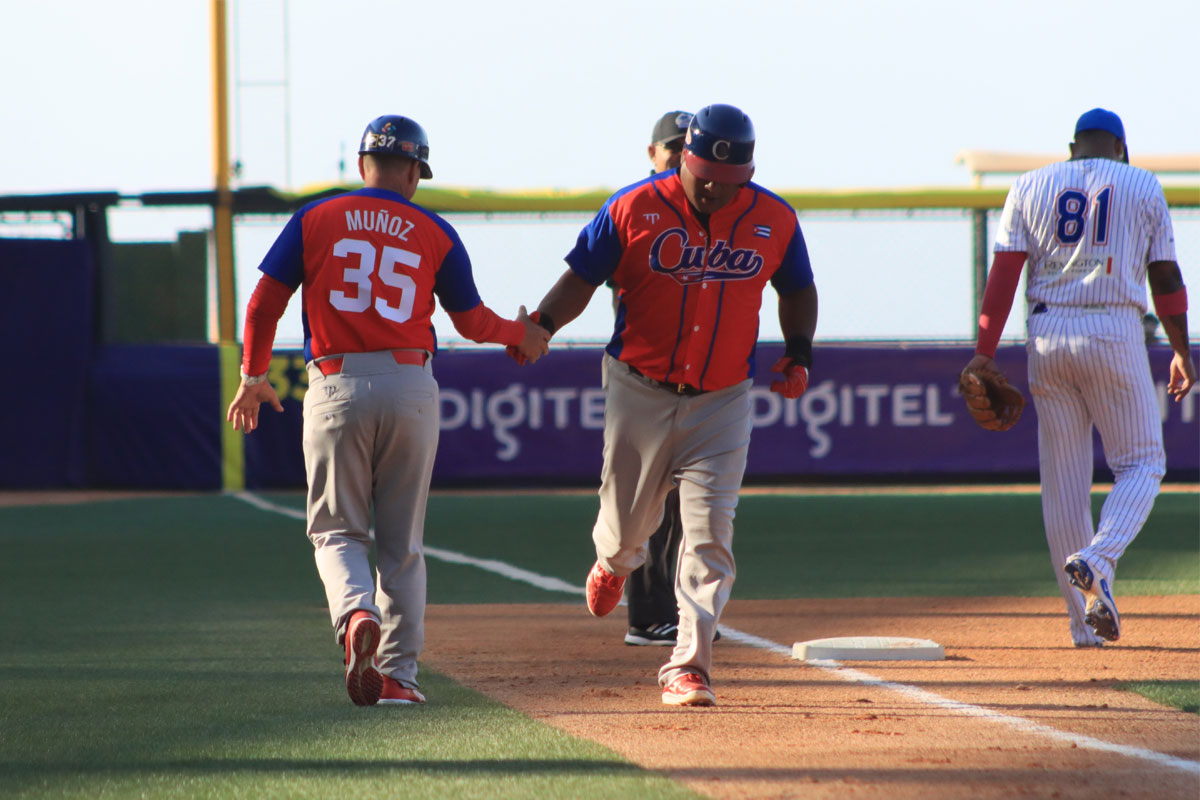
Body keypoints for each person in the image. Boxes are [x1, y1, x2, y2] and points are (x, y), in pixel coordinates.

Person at [226, 114, 550, 706]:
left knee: (337, 533)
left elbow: (264, 302)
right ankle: (400, 676)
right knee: (403, 544)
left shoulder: (316, 217)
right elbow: (472, 321)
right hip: (410, 384)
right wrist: (520, 334)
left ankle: (355, 616)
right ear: (414, 171)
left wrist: (253, 376)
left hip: (336, 383)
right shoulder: (434, 228)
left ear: (361, 165)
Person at [522, 104, 818, 705]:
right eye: (704, 173)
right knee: (628, 526)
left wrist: (799, 353)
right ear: (684, 157)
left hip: (724, 398)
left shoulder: (773, 218)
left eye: (729, 180)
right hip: (639, 387)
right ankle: (614, 560)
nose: (714, 188)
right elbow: (582, 275)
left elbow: (797, 287)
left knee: (709, 536)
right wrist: (545, 324)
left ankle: (689, 665)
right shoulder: (632, 207)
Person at [962, 107, 1194, 647]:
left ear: (1073, 148)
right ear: (1120, 147)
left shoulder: (1029, 184)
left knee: (1064, 481)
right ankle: (1098, 558)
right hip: (1113, 327)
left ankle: (1082, 624)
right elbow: (1165, 275)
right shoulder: (1142, 184)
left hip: (1046, 332)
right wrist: (1181, 349)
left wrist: (983, 352)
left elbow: (1004, 271)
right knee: (1142, 462)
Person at [621, 110, 692, 648]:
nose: (679, 154)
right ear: (652, 153)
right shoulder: (634, 208)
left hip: (704, 381)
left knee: (689, 505)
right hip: (644, 376)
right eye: (672, 146)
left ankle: (665, 609)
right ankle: (647, 616)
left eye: (687, 146)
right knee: (648, 506)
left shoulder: (711, 207)